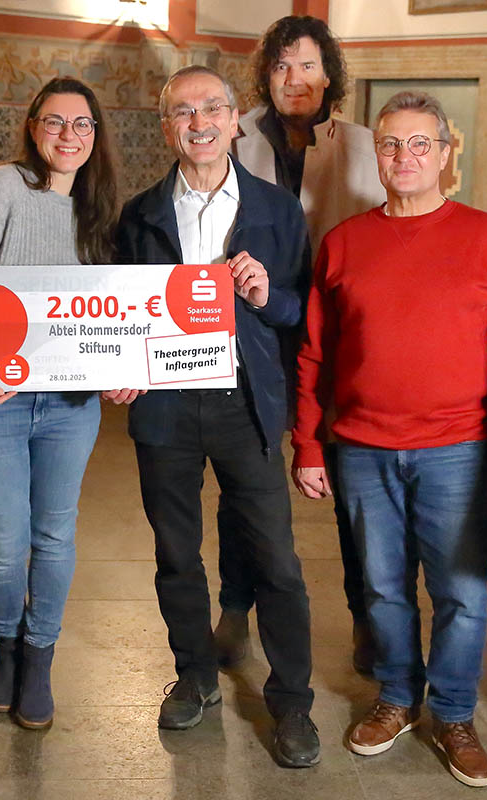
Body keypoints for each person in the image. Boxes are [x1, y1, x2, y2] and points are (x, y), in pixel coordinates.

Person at [291, 90, 487, 786]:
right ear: (377, 153)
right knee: (384, 589)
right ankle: (396, 698)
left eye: (422, 143)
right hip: (361, 448)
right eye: (392, 143)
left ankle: (453, 712)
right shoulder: (342, 243)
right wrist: (308, 444)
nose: (405, 156)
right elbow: (313, 355)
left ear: (447, 155)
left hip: (459, 449)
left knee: (462, 590)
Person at [113, 65, 319, 768]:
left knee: (277, 561)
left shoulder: (277, 209)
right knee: (176, 553)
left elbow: (299, 313)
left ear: (235, 120)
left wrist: (267, 295)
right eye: (181, 111)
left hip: (245, 403)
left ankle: (292, 702)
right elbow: (117, 316)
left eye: (211, 109)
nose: (197, 122)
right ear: (166, 125)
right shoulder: (139, 214)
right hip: (165, 410)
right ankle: (194, 673)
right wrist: (118, 369)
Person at [0, 76, 119, 730]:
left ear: (96, 137)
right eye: (55, 122)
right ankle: (7, 645)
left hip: (70, 406)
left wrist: (123, 368)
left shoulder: (100, 209)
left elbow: (110, 316)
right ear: (32, 125)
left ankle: (39, 656)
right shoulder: (2, 187)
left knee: (55, 533)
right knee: (6, 539)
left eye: (83, 125)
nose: (69, 136)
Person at [219, 14, 387, 674]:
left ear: (330, 76)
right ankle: (235, 610)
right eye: (284, 65)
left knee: (354, 489)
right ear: (266, 74)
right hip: (255, 335)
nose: (296, 79)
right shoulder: (235, 141)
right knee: (246, 482)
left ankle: (368, 620)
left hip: (339, 341)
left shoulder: (365, 145)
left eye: (309, 65)